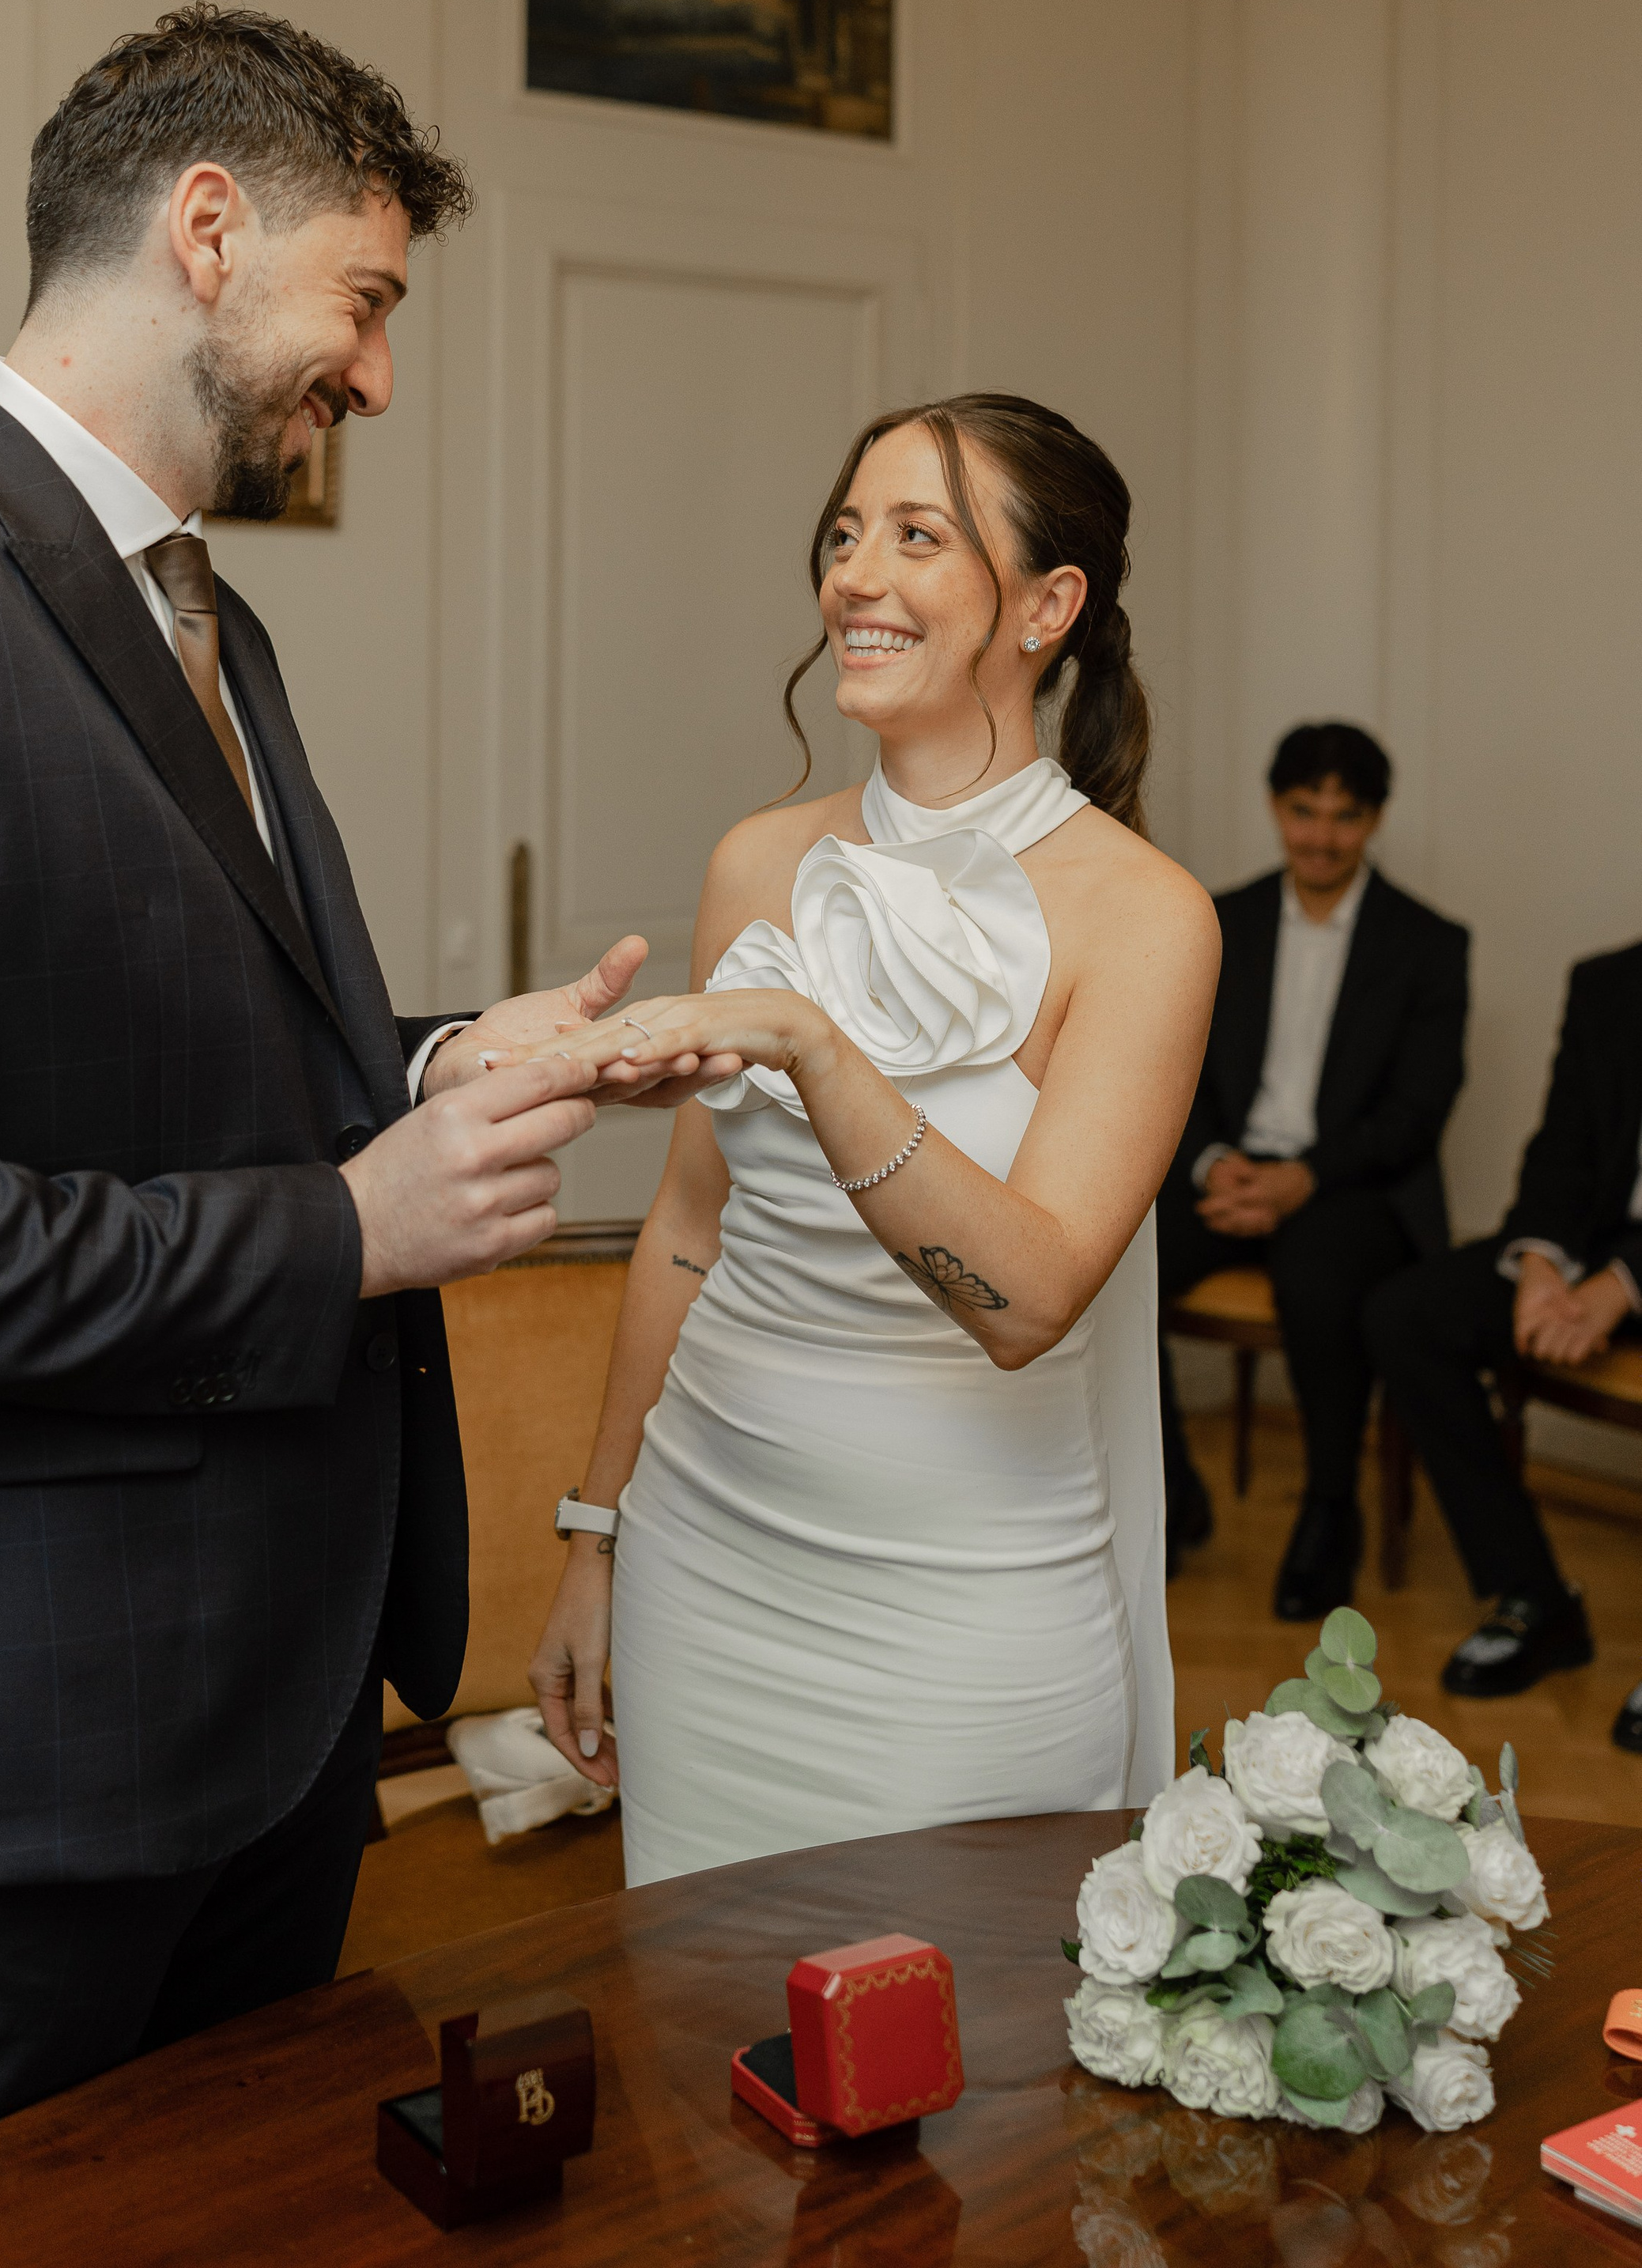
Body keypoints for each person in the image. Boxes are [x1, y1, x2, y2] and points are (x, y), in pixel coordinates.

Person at [0, 6, 727, 2241]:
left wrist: (439, 1064)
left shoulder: (212, 620)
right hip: (7, 1776)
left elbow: (197, 1049)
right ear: (207, 230)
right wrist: (348, 1226)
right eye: (373, 300)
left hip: (273, 1734)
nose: (380, 378)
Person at [524, 392, 1219, 1887]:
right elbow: (689, 1233)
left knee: (970, 2075)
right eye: (845, 534)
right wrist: (600, 1538)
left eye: (918, 537)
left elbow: (1029, 1303)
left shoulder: (1146, 919)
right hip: (708, 1570)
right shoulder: (758, 862)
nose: (854, 575)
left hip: (966, 1609)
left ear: (1049, 605)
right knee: (708, 2053)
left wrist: (820, 1051)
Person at [1154, 723, 1469, 1623]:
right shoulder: (1220, 918)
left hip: (1354, 1184)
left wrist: (1304, 1178)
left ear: (1374, 819)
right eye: (1304, 812)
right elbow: (1177, 1068)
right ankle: (1173, 1493)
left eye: (1344, 816)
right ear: (1274, 807)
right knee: (1114, 1258)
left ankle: (1331, 1511)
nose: (1321, 835)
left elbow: (1419, 1110)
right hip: (1228, 1168)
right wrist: (1216, 1164)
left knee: (1320, 1281)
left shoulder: (1428, 943)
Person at [1366, 939, 1642, 1743]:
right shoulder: (1608, 983)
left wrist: (1621, 1284)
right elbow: (1563, 1148)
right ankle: (1534, 1597)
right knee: (1408, 1314)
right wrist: (1539, 1265)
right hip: (1596, 1244)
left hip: (1625, 1266)